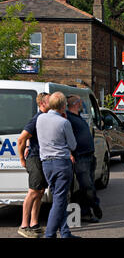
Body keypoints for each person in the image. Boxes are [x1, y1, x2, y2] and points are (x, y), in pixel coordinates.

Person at [36, 92, 80, 238]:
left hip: (46, 164)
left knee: (57, 198)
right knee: (60, 201)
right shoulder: (64, 122)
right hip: (61, 162)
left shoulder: (40, 118)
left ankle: (65, 232)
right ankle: (50, 234)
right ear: (62, 107)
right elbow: (73, 145)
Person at [16, 92, 50, 238]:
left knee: (40, 191)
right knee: (33, 192)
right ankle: (24, 225)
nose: (53, 103)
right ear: (42, 103)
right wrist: (22, 159)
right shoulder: (36, 119)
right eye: (50, 101)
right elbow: (21, 139)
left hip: (41, 158)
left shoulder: (45, 118)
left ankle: (34, 223)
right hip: (34, 158)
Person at [66, 95, 102, 223]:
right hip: (80, 157)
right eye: (80, 102)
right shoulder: (68, 118)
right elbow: (66, 137)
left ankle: (86, 213)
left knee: (87, 186)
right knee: (87, 186)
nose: (82, 104)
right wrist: (70, 153)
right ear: (75, 103)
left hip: (89, 155)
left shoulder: (77, 116)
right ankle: (95, 204)